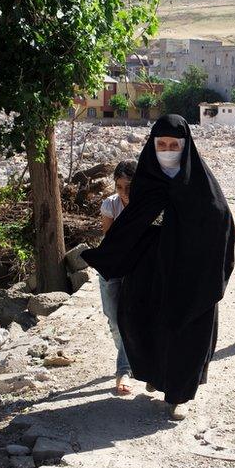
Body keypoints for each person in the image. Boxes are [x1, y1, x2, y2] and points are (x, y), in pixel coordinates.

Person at [82, 115, 235, 420]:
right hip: (150, 269)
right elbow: (132, 222)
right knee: (144, 322)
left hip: (189, 272)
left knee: (187, 331)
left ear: (185, 146)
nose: (166, 150)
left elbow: (220, 220)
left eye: (173, 145)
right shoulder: (147, 181)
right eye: (161, 144)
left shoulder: (199, 183)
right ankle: (156, 374)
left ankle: (178, 395)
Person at [98, 160, 136, 395]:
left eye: (129, 187)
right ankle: (127, 356)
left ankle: (123, 369)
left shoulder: (148, 205)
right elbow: (109, 239)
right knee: (113, 319)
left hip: (136, 269)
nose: (124, 193)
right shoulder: (110, 205)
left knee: (129, 318)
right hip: (112, 268)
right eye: (119, 187)